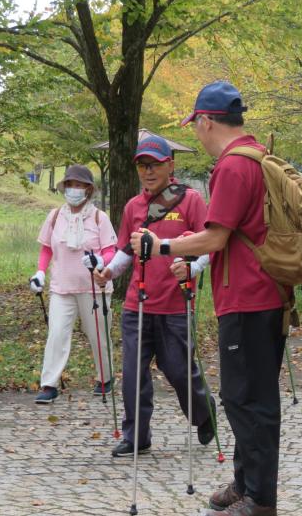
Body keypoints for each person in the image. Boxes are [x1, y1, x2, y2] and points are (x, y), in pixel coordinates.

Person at [133, 81, 286, 516]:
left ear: (205, 121)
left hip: (249, 298)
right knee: (245, 395)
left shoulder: (233, 166)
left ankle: (259, 499)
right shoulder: (255, 155)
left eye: (196, 126)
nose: (197, 135)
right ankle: (244, 483)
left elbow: (216, 237)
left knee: (248, 398)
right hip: (258, 295)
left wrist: (160, 246)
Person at [93, 136, 215, 457]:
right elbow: (124, 252)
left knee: (177, 370)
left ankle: (204, 412)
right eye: (143, 166)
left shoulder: (190, 200)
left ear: (170, 165)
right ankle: (137, 435)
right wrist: (108, 272)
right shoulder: (134, 206)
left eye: (155, 165)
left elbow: (210, 245)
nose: (148, 171)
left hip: (175, 305)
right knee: (133, 372)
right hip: (138, 304)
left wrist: (192, 268)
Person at [29, 165, 118, 404]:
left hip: (93, 286)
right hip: (62, 287)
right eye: (70, 185)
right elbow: (47, 247)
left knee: (98, 334)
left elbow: (111, 250)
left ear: (88, 190)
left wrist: (100, 260)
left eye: (79, 185)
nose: (74, 190)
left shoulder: (99, 217)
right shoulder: (55, 216)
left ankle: (105, 378)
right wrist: (40, 272)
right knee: (56, 334)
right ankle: (49, 384)